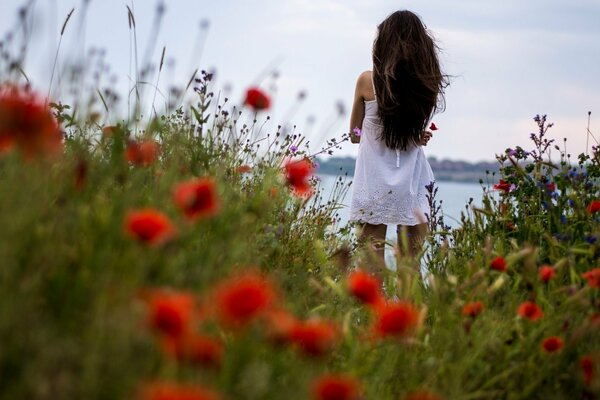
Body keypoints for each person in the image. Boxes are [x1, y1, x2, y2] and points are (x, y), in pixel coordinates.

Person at [348, 10, 448, 270]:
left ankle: (375, 312)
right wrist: (417, 136)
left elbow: (353, 136)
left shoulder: (366, 81)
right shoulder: (425, 85)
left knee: (371, 266)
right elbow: (408, 130)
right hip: (413, 182)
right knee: (410, 268)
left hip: (373, 180)